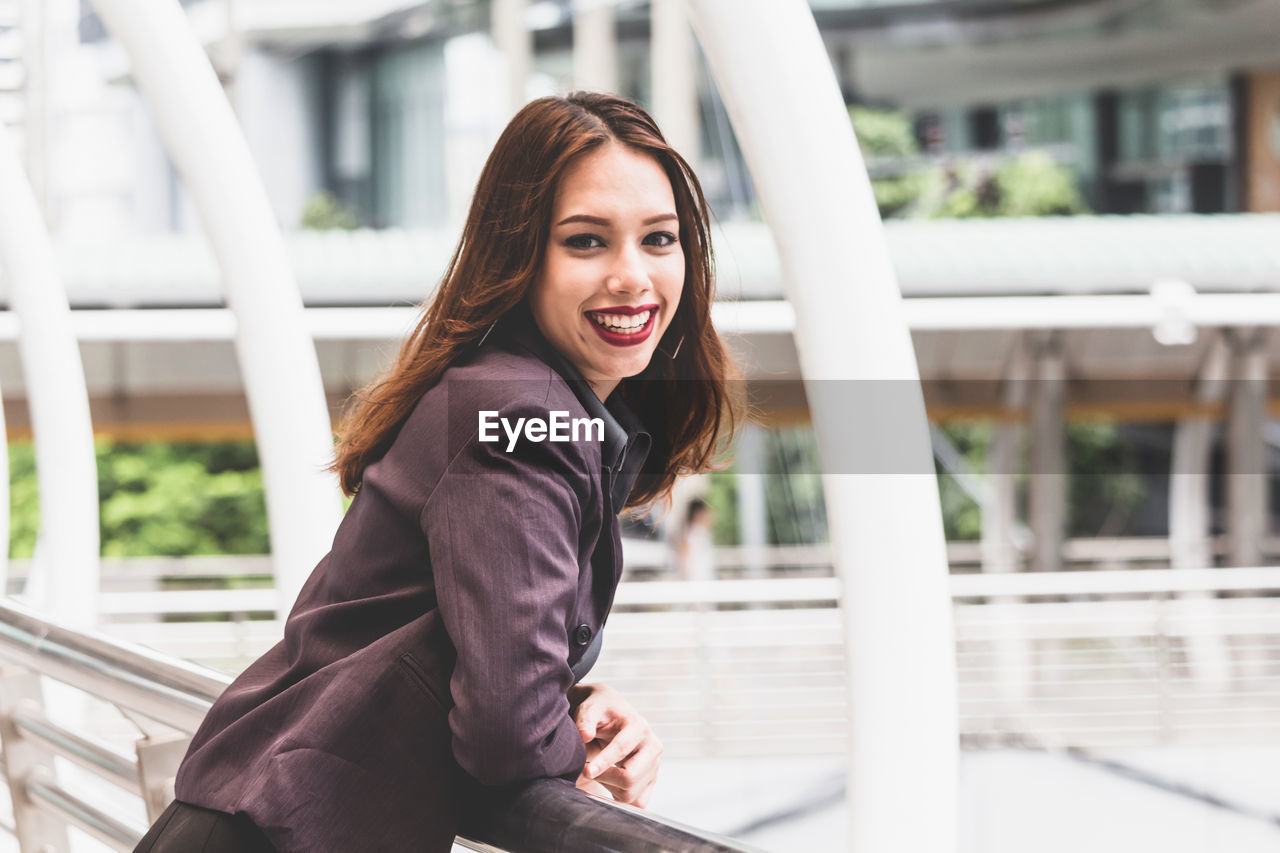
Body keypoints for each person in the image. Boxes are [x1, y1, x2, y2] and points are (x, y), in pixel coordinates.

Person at [132, 91, 737, 852]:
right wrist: (560, 734)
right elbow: (506, 736)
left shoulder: (508, 394)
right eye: (586, 241)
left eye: (659, 239)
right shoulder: (519, 418)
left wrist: (573, 703)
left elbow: (471, 653)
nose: (632, 275)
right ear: (522, 254)